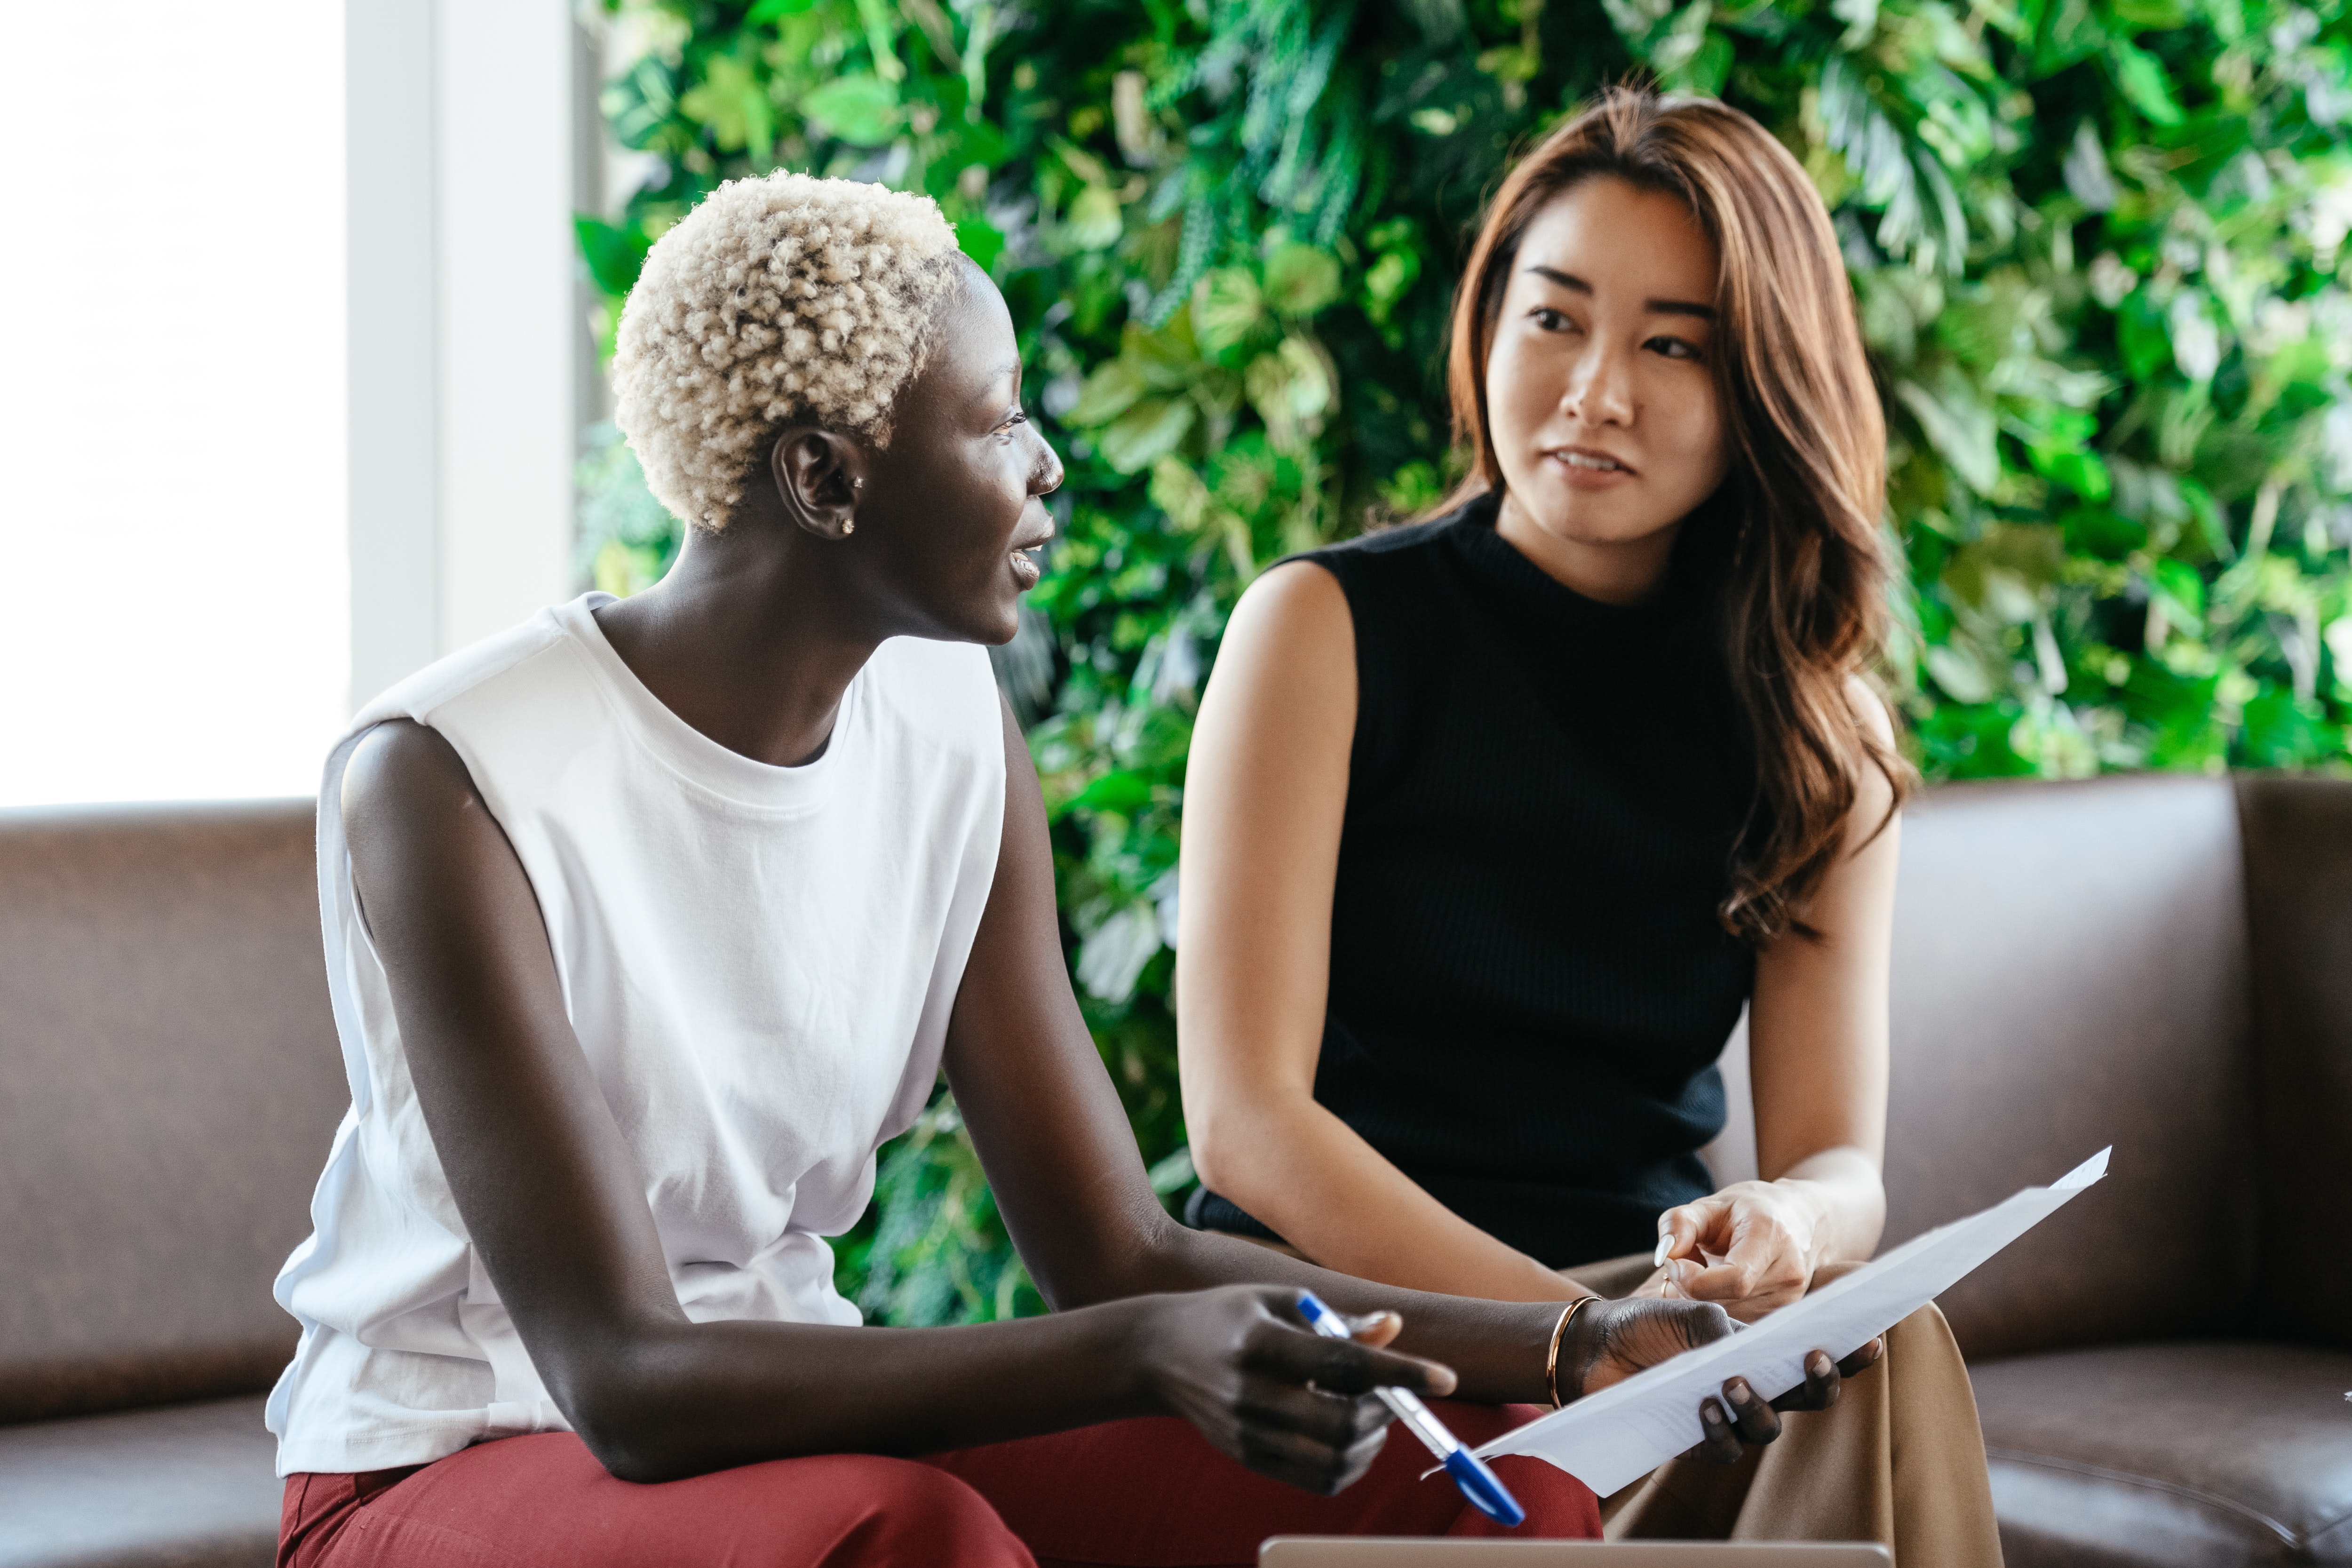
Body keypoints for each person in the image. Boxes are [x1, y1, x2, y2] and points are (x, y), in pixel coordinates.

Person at [263, 172, 1858, 1568]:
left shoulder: (951, 724)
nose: (1047, 468)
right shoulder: (450, 780)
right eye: (998, 417)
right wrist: (1135, 1359)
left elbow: (1121, 1249)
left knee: (1451, 1485)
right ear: (825, 479)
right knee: (912, 1536)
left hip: (764, 1427)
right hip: (449, 1462)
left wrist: (1571, 1347)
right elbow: (628, 1378)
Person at [1174, 89, 2005, 1560]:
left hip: (1642, 1324)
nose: (1593, 390)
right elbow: (1248, 1128)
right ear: (1489, 325)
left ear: (1763, 384)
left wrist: (1787, 1234)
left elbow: (1839, 1167)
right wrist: (1587, 1341)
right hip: (1364, 1319)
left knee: (1881, 1348)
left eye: (1671, 345)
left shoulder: (1819, 733)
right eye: (1553, 320)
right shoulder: (1324, 629)